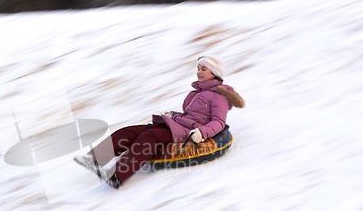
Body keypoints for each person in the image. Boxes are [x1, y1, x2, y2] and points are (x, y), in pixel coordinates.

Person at [74, 56, 244, 189]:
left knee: (150, 137)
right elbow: (191, 114)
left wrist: (202, 133)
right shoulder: (199, 92)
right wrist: (174, 115)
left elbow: (219, 122)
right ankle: (94, 159)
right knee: (130, 131)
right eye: (198, 68)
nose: (199, 72)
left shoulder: (219, 95)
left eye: (204, 69)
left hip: (189, 132)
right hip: (177, 123)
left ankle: (118, 177)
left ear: (214, 73)